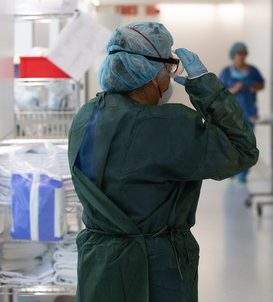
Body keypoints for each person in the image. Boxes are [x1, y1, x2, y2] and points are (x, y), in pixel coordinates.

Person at [67, 22, 259, 302]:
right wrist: (205, 86)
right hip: (156, 270)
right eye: (168, 68)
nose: (169, 78)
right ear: (150, 73)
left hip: (99, 267)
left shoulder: (85, 116)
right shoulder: (166, 125)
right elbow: (242, 150)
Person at [218, 42, 265, 183]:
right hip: (230, 113)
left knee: (247, 143)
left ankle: (243, 174)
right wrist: (235, 89)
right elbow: (220, 90)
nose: (243, 56)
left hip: (249, 112)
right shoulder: (226, 72)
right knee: (231, 142)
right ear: (233, 55)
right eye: (240, 53)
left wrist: (255, 87)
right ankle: (232, 169)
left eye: (245, 53)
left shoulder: (253, 71)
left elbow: (262, 84)